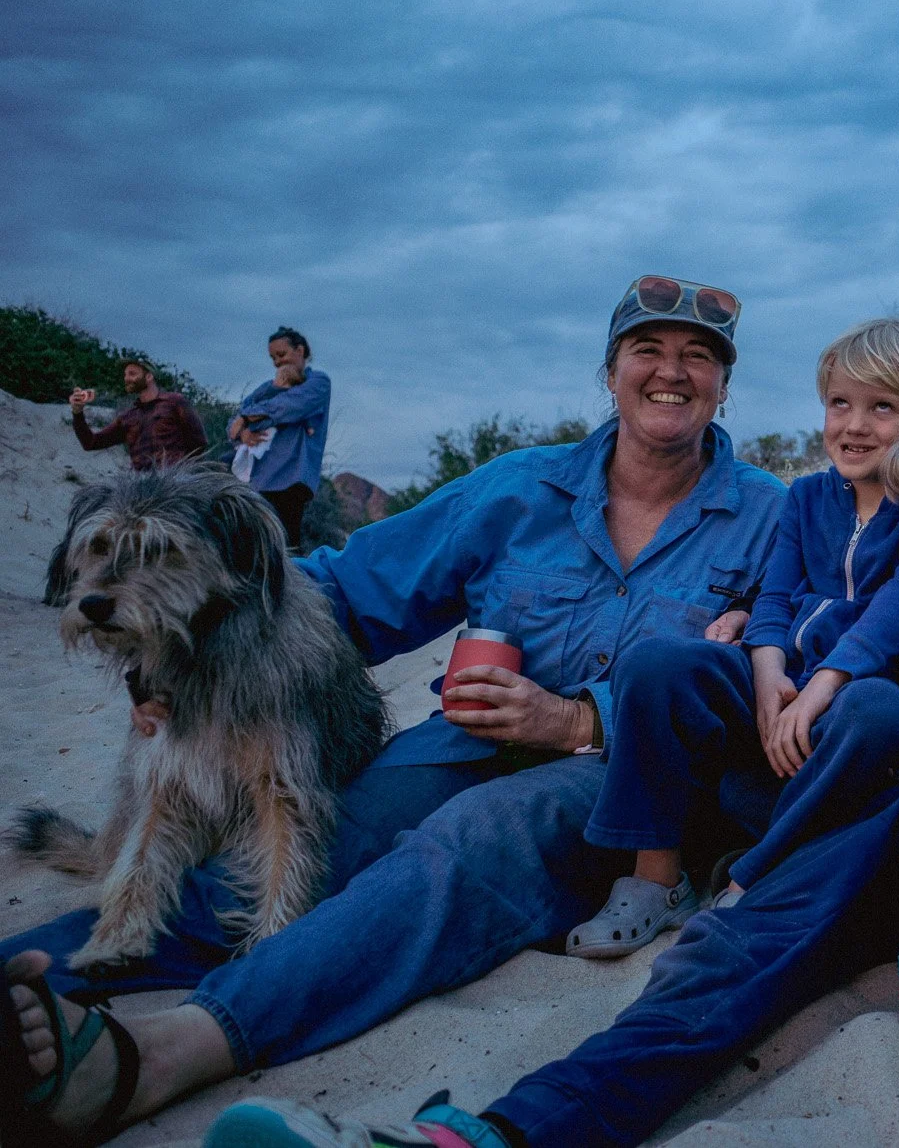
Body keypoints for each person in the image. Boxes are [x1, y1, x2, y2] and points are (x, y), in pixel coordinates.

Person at [198, 407, 899, 1148]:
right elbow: (826, 671)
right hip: (898, 835)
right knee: (724, 972)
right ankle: (496, 1133)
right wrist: (751, 636)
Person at [1, 274, 785, 1143]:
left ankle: (164, 1051)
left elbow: (777, 674)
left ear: (723, 384)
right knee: (318, 846)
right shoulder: (519, 488)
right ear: (610, 371)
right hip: (463, 742)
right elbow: (341, 591)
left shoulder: (769, 516)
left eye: (699, 356)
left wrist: (577, 718)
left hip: (620, 784)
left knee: (455, 850)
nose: (672, 371)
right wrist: (172, 657)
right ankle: (31, 980)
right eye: (648, 350)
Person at [564, 316, 899, 958]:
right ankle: (655, 878)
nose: (854, 425)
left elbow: (896, 612)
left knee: (878, 709)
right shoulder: (807, 498)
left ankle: (753, 874)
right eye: (840, 403)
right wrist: (768, 675)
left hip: (850, 698)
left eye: (883, 407)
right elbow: (773, 596)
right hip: (776, 683)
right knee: (657, 663)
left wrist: (819, 689)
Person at [228, 327, 331, 551]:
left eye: (282, 355)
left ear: (300, 351)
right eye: (273, 358)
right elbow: (233, 424)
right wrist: (243, 431)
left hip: (292, 476)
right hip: (259, 478)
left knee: (286, 546)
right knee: (256, 544)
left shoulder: (318, 382)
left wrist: (247, 418)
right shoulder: (267, 388)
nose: (277, 362)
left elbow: (289, 407)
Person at [66, 358, 208, 470]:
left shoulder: (174, 402)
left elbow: (199, 442)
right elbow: (91, 443)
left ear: (149, 377)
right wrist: (77, 412)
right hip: (141, 486)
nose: (126, 378)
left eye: (132, 374)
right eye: (125, 375)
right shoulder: (128, 418)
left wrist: (182, 471)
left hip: (175, 482)